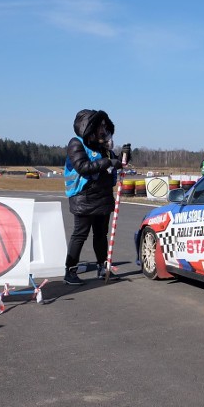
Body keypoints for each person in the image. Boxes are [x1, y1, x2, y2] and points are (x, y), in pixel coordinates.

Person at [63, 109, 131, 285]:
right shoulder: (76, 143)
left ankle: (102, 267)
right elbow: (83, 166)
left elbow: (116, 164)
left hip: (103, 197)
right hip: (83, 197)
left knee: (101, 235)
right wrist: (107, 162)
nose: (103, 130)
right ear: (88, 127)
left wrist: (123, 158)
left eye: (104, 126)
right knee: (80, 234)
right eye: (99, 126)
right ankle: (70, 271)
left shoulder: (104, 148)